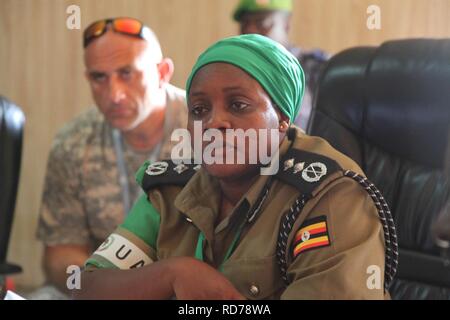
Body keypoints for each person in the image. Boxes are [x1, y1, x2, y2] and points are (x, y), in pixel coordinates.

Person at [74, 34, 396, 300]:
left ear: (283, 119)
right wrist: (175, 272)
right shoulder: (173, 187)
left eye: (238, 105)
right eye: (199, 110)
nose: (214, 123)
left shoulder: (329, 195)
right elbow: (89, 289)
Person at [36, 17, 187, 295]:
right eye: (99, 77)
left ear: (163, 72)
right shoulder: (74, 142)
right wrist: (112, 289)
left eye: (127, 73)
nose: (114, 94)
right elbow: (60, 255)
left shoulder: (206, 128)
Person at [233, 0, 329, 130]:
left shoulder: (318, 68)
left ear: (286, 24)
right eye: (245, 24)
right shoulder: (233, 71)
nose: (250, 30)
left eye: (262, 23)